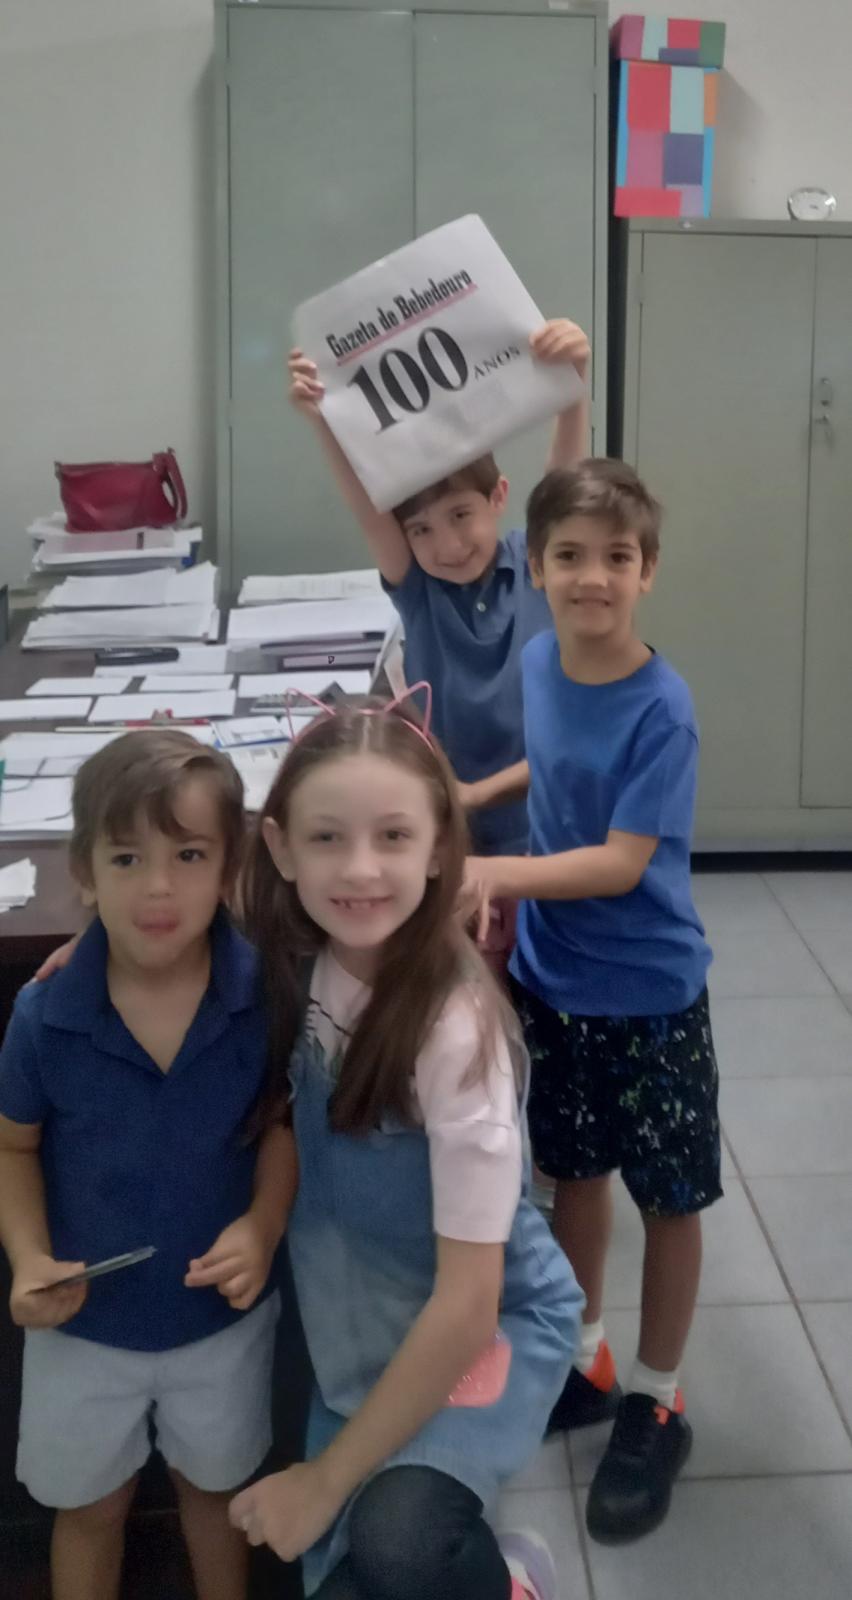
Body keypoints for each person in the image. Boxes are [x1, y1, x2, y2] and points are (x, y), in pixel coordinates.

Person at [228, 689, 584, 1600]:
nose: (359, 869)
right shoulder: (296, 956)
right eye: (327, 838)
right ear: (280, 849)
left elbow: (469, 1307)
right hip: (359, 1319)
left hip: (478, 1325)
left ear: (437, 850)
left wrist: (325, 1481)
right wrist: (92, 958)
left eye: (393, 836)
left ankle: (509, 1581)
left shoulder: (454, 1033)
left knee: (396, 1541)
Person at [460, 461, 721, 1545]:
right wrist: (477, 794)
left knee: (669, 1197)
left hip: (649, 995)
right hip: (554, 980)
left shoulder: (664, 710)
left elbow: (619, 861)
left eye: (617, 557)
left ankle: (656, 1398)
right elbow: (552, 761)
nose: (592, 577)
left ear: (647, 571)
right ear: (538, 568)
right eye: (569, 556)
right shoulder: (541, 659)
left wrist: (490, 871)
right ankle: (583, 1358)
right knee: (573, 1172)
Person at [0, 731, 297, 1600]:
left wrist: (263, 1225)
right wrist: (27, 1257)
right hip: (82, 1328)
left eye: (189, 855)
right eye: (127, 858)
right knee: (90, 1510)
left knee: (216, 1499)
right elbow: (13, 1145)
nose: (158, 887)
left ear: (230, 868)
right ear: (84, 872)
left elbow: (279, 1129)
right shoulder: (45, 1015)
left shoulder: (265, 995)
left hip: (222, 1324)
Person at [288, 321, 590, 969]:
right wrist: (323, 420)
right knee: (467, 983)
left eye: (461, 516)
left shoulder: (538, 565)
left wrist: (571, 389)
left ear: (498, 498)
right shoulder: (418, 589)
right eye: (420, 529)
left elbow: (564, 486)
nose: (447, 546)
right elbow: (367, 507)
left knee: (543, 982)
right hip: (452, 840)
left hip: (543, 829)